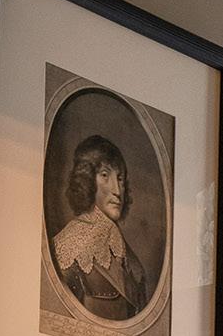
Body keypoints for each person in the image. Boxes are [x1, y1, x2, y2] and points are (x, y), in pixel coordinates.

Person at [49, 135, 148, 319]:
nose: (117, 191)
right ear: (87, 179)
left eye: (120, 178)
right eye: (105, 175)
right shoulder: (67, 249)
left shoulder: (131, 260)